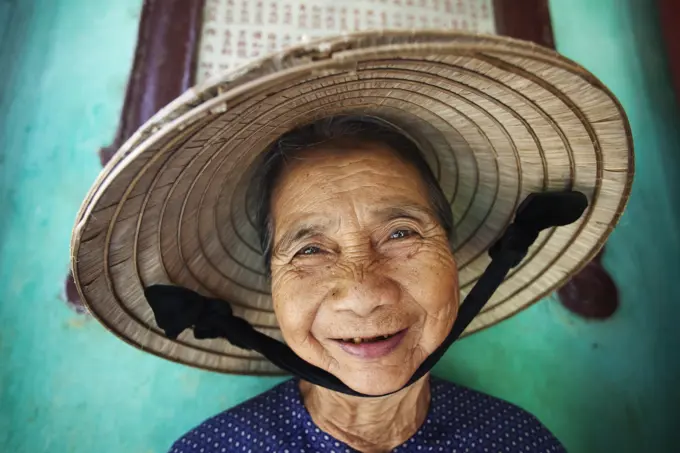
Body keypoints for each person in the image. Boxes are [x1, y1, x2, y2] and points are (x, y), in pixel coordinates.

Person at [70, 32, 634, 453]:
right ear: (271, 286)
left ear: (455, 261)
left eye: (401, 233)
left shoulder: (519, 443)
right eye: (310, 250)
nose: (362, 292)